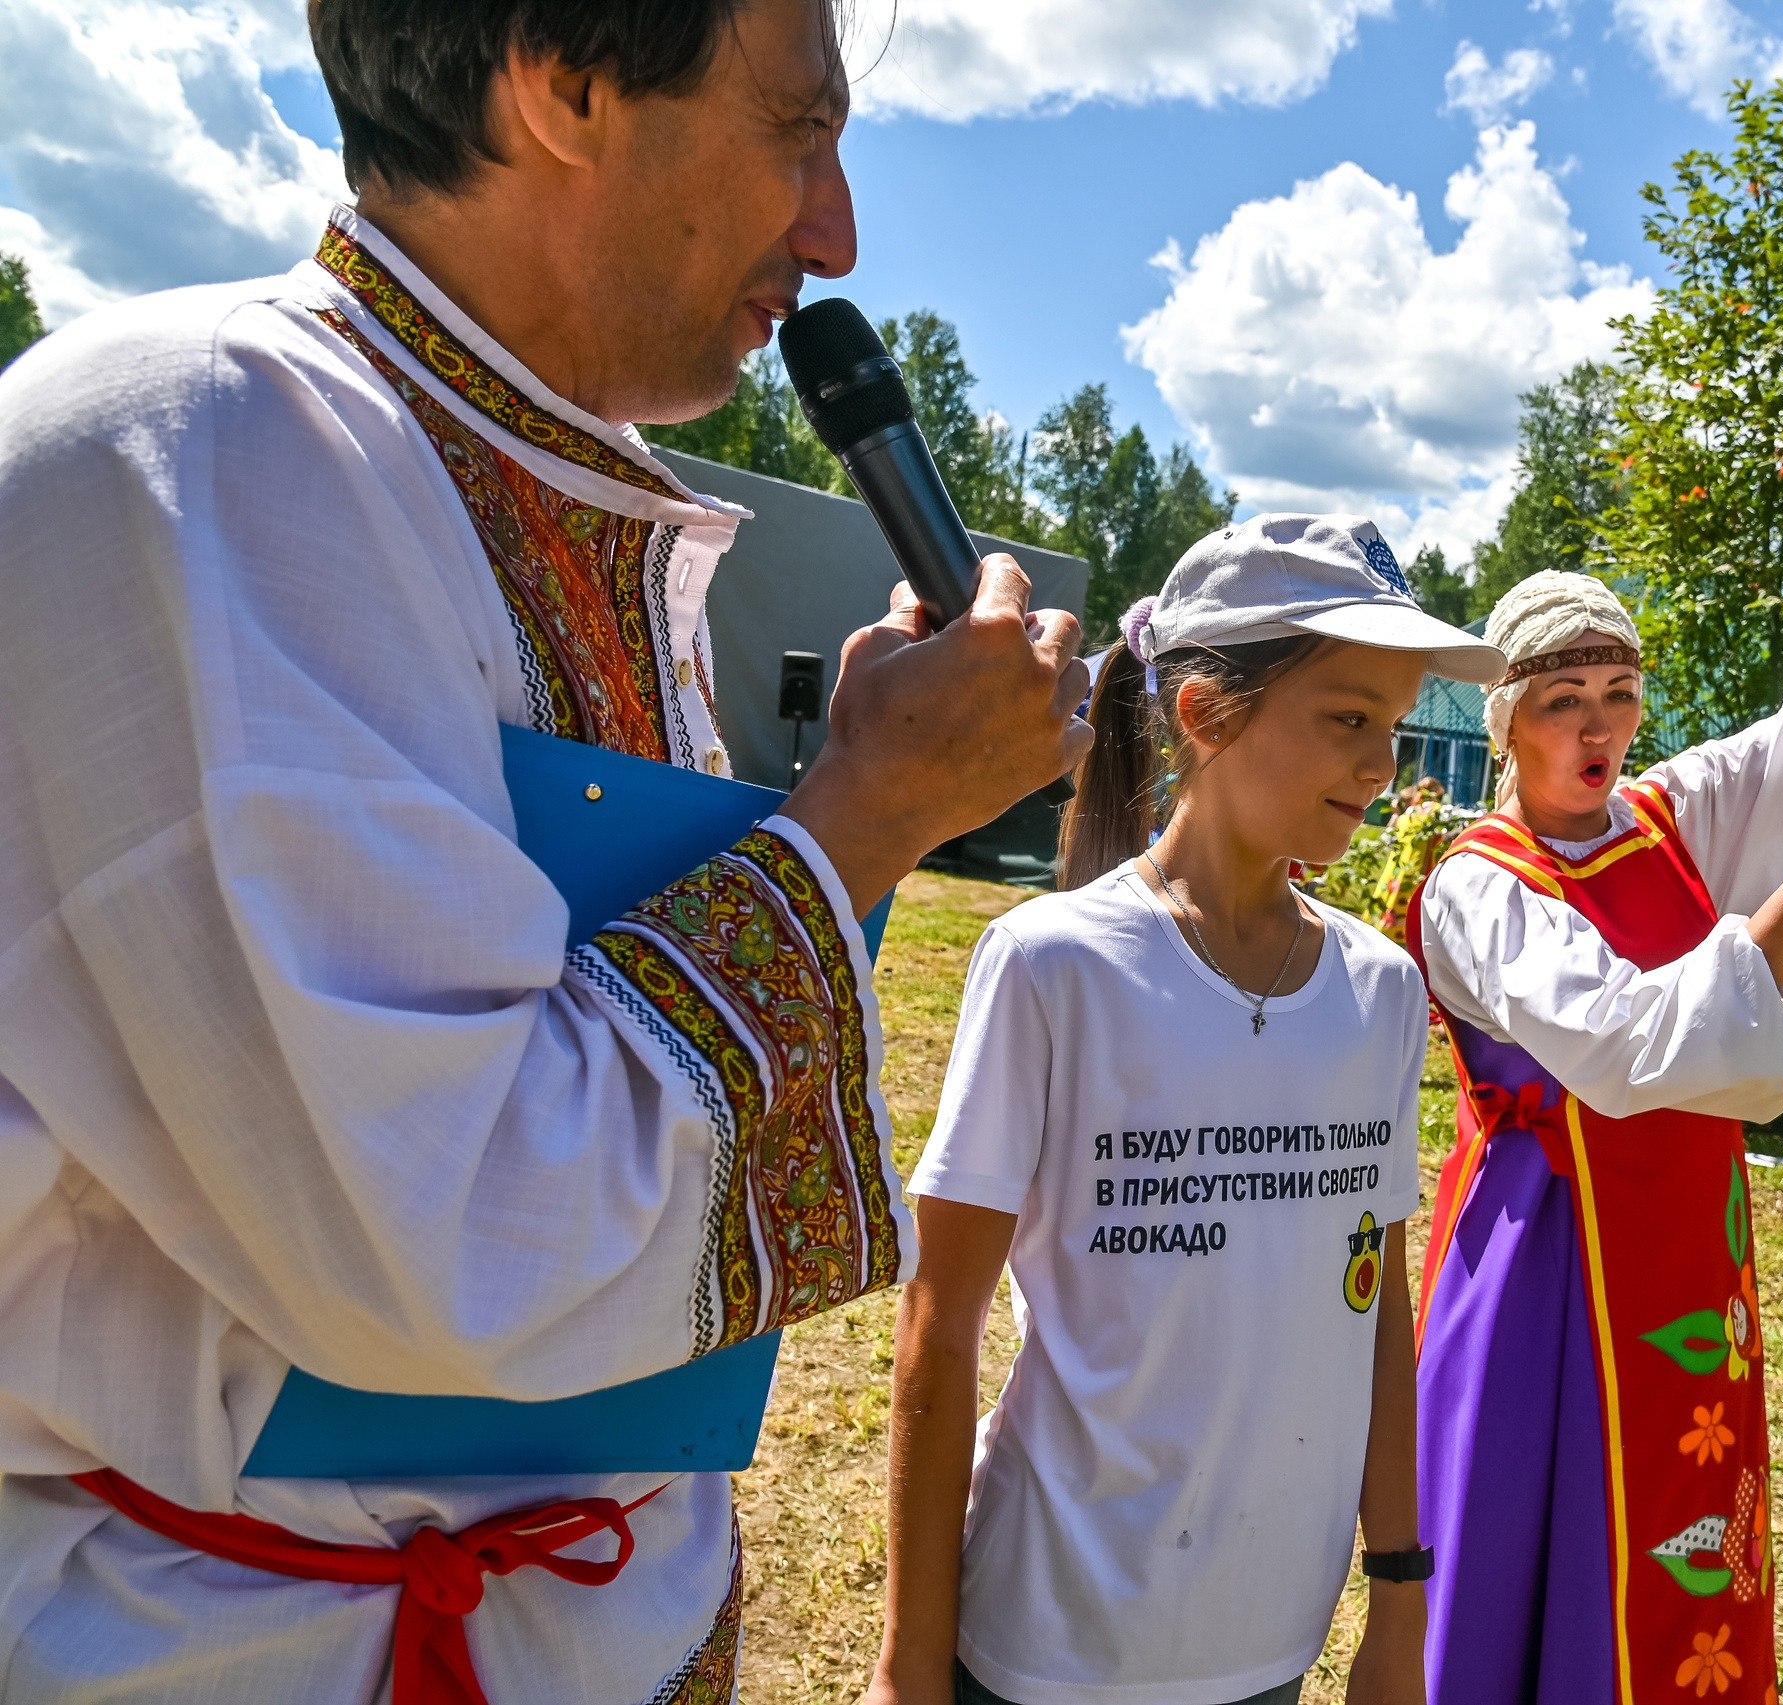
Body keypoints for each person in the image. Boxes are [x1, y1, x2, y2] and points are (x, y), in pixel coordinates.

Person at [0, 2, 1087, 1699]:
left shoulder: (498, 477)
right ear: (563, 84)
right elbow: (452, 1241)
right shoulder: (210, 446)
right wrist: (863, 817)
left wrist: (861, 812)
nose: (838, 228)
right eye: (798, 131)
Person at [870, 516, 1504, 1705]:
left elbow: (1372, 1309)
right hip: (1046, 1641)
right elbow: (938, 1323)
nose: (1383, 767)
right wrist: (910, 1662)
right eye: (1348, 718)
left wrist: (1400, 1608)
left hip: (1273, 1641)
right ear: (1207, 712)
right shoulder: (1049, 963)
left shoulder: (1380, 992)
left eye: (1395, 727)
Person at [1408, 520, 1783, 1705]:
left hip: (1682, 1248)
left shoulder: (1660, 817)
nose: (1597, 726)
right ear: (1506, 722)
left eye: (1619, 693)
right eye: (1562, 698)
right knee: (1549, 1533)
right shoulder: (1480, 882)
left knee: (1683, 1525)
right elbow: (1628, 1048)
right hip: (1551, 1263)